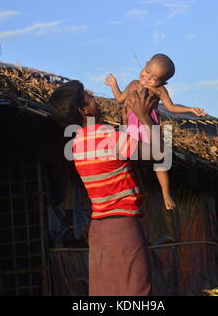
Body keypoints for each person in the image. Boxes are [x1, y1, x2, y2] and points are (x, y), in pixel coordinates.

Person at [48, 80, 162, 296]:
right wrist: (145, 116)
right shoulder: (109, 138)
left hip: (100, 230)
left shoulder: (77, 145)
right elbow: (159, 153)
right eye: (89, 97)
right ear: (84, 110)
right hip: (122, 226)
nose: (95, 98)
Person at [104, 53, 206, 210]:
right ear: (145, 65)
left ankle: (166, 193)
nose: (147, 77)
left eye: (153, 78)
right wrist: (113, 85)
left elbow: (171, 107)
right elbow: (119, 99)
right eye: (147, 70)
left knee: (159, 159)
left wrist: (190, 109)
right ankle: (130, 189)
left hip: (149, 124)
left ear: (162, 82)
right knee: (128, 155)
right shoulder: (133, 84)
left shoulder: (160, 91)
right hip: (132, 124)